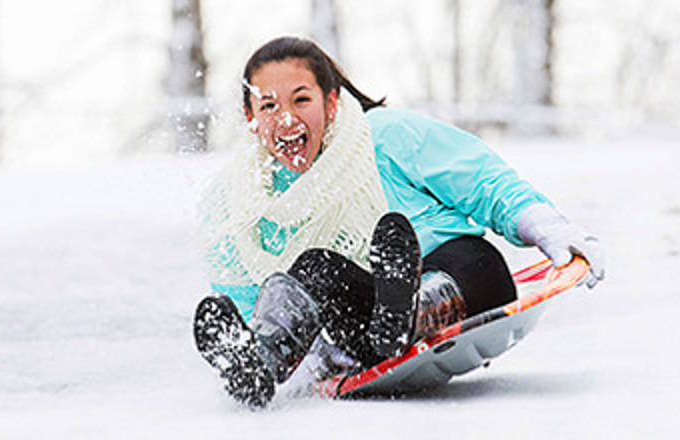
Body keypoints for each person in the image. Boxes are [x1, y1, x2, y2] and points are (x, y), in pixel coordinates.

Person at [193, 36, 605, 408]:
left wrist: (547, 227)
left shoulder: (386, 136)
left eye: (301, 100)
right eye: (269, 105)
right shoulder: (243, 199)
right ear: (251, 115)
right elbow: (255, 294)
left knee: (469, 256)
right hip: (370, 328)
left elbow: (480, 180)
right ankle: (261, 361)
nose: (285, 118)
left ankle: (410, 311)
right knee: (315, 269)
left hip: (465, 282)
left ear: (331, 102)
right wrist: (312, 353)